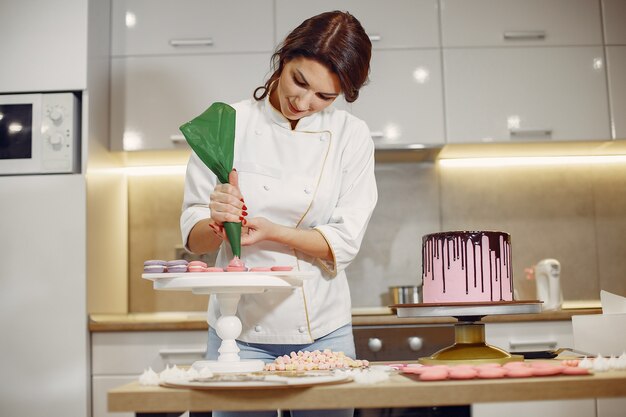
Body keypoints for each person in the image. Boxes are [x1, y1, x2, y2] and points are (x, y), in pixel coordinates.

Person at [180, 10, 377, 417]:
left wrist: (273, 232)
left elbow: (343, 242)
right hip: (237, 328)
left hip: (323, 329)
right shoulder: (225, 124)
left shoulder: (350, 137)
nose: (303, 103)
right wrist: (217, 221)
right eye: (299, 81)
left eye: (325, 97)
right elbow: (194, 239)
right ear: (283, 58)